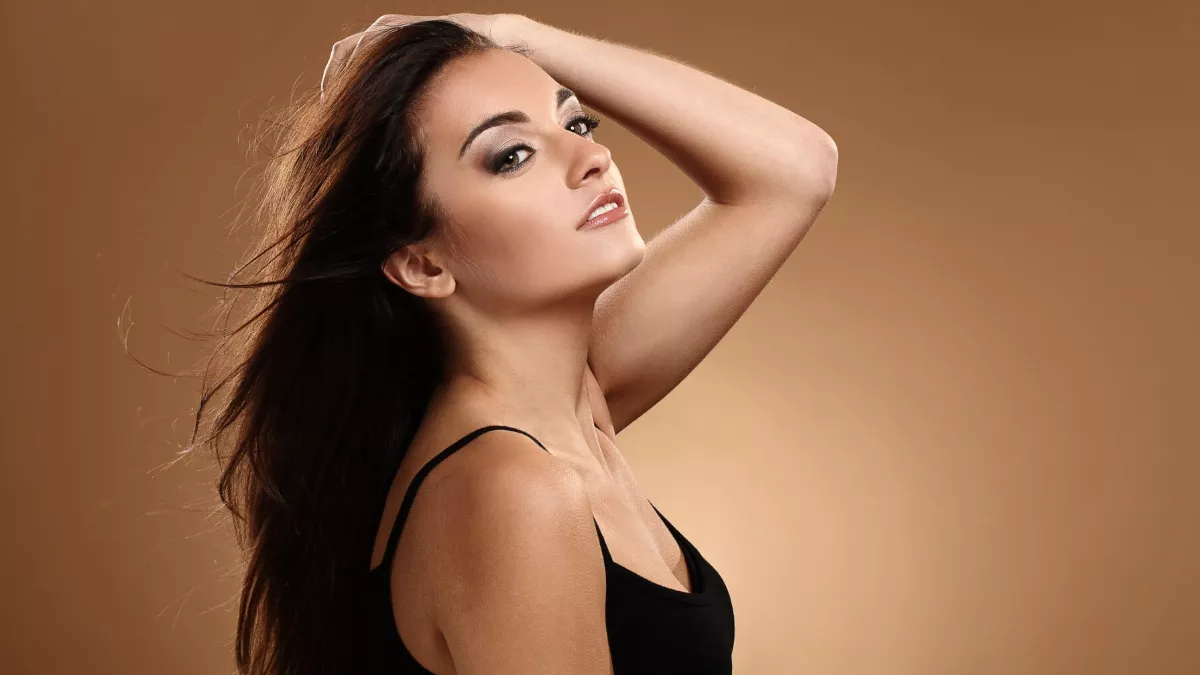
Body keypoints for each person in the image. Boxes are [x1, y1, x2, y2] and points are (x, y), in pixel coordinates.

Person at [195, 12, 837, 675]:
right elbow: (790, 177)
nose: (593, 158)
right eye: (512, 156)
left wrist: (511, 32)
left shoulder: (575, 401)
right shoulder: (509, 490)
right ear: (422, 263)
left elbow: (796, 172)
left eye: (577, 123)